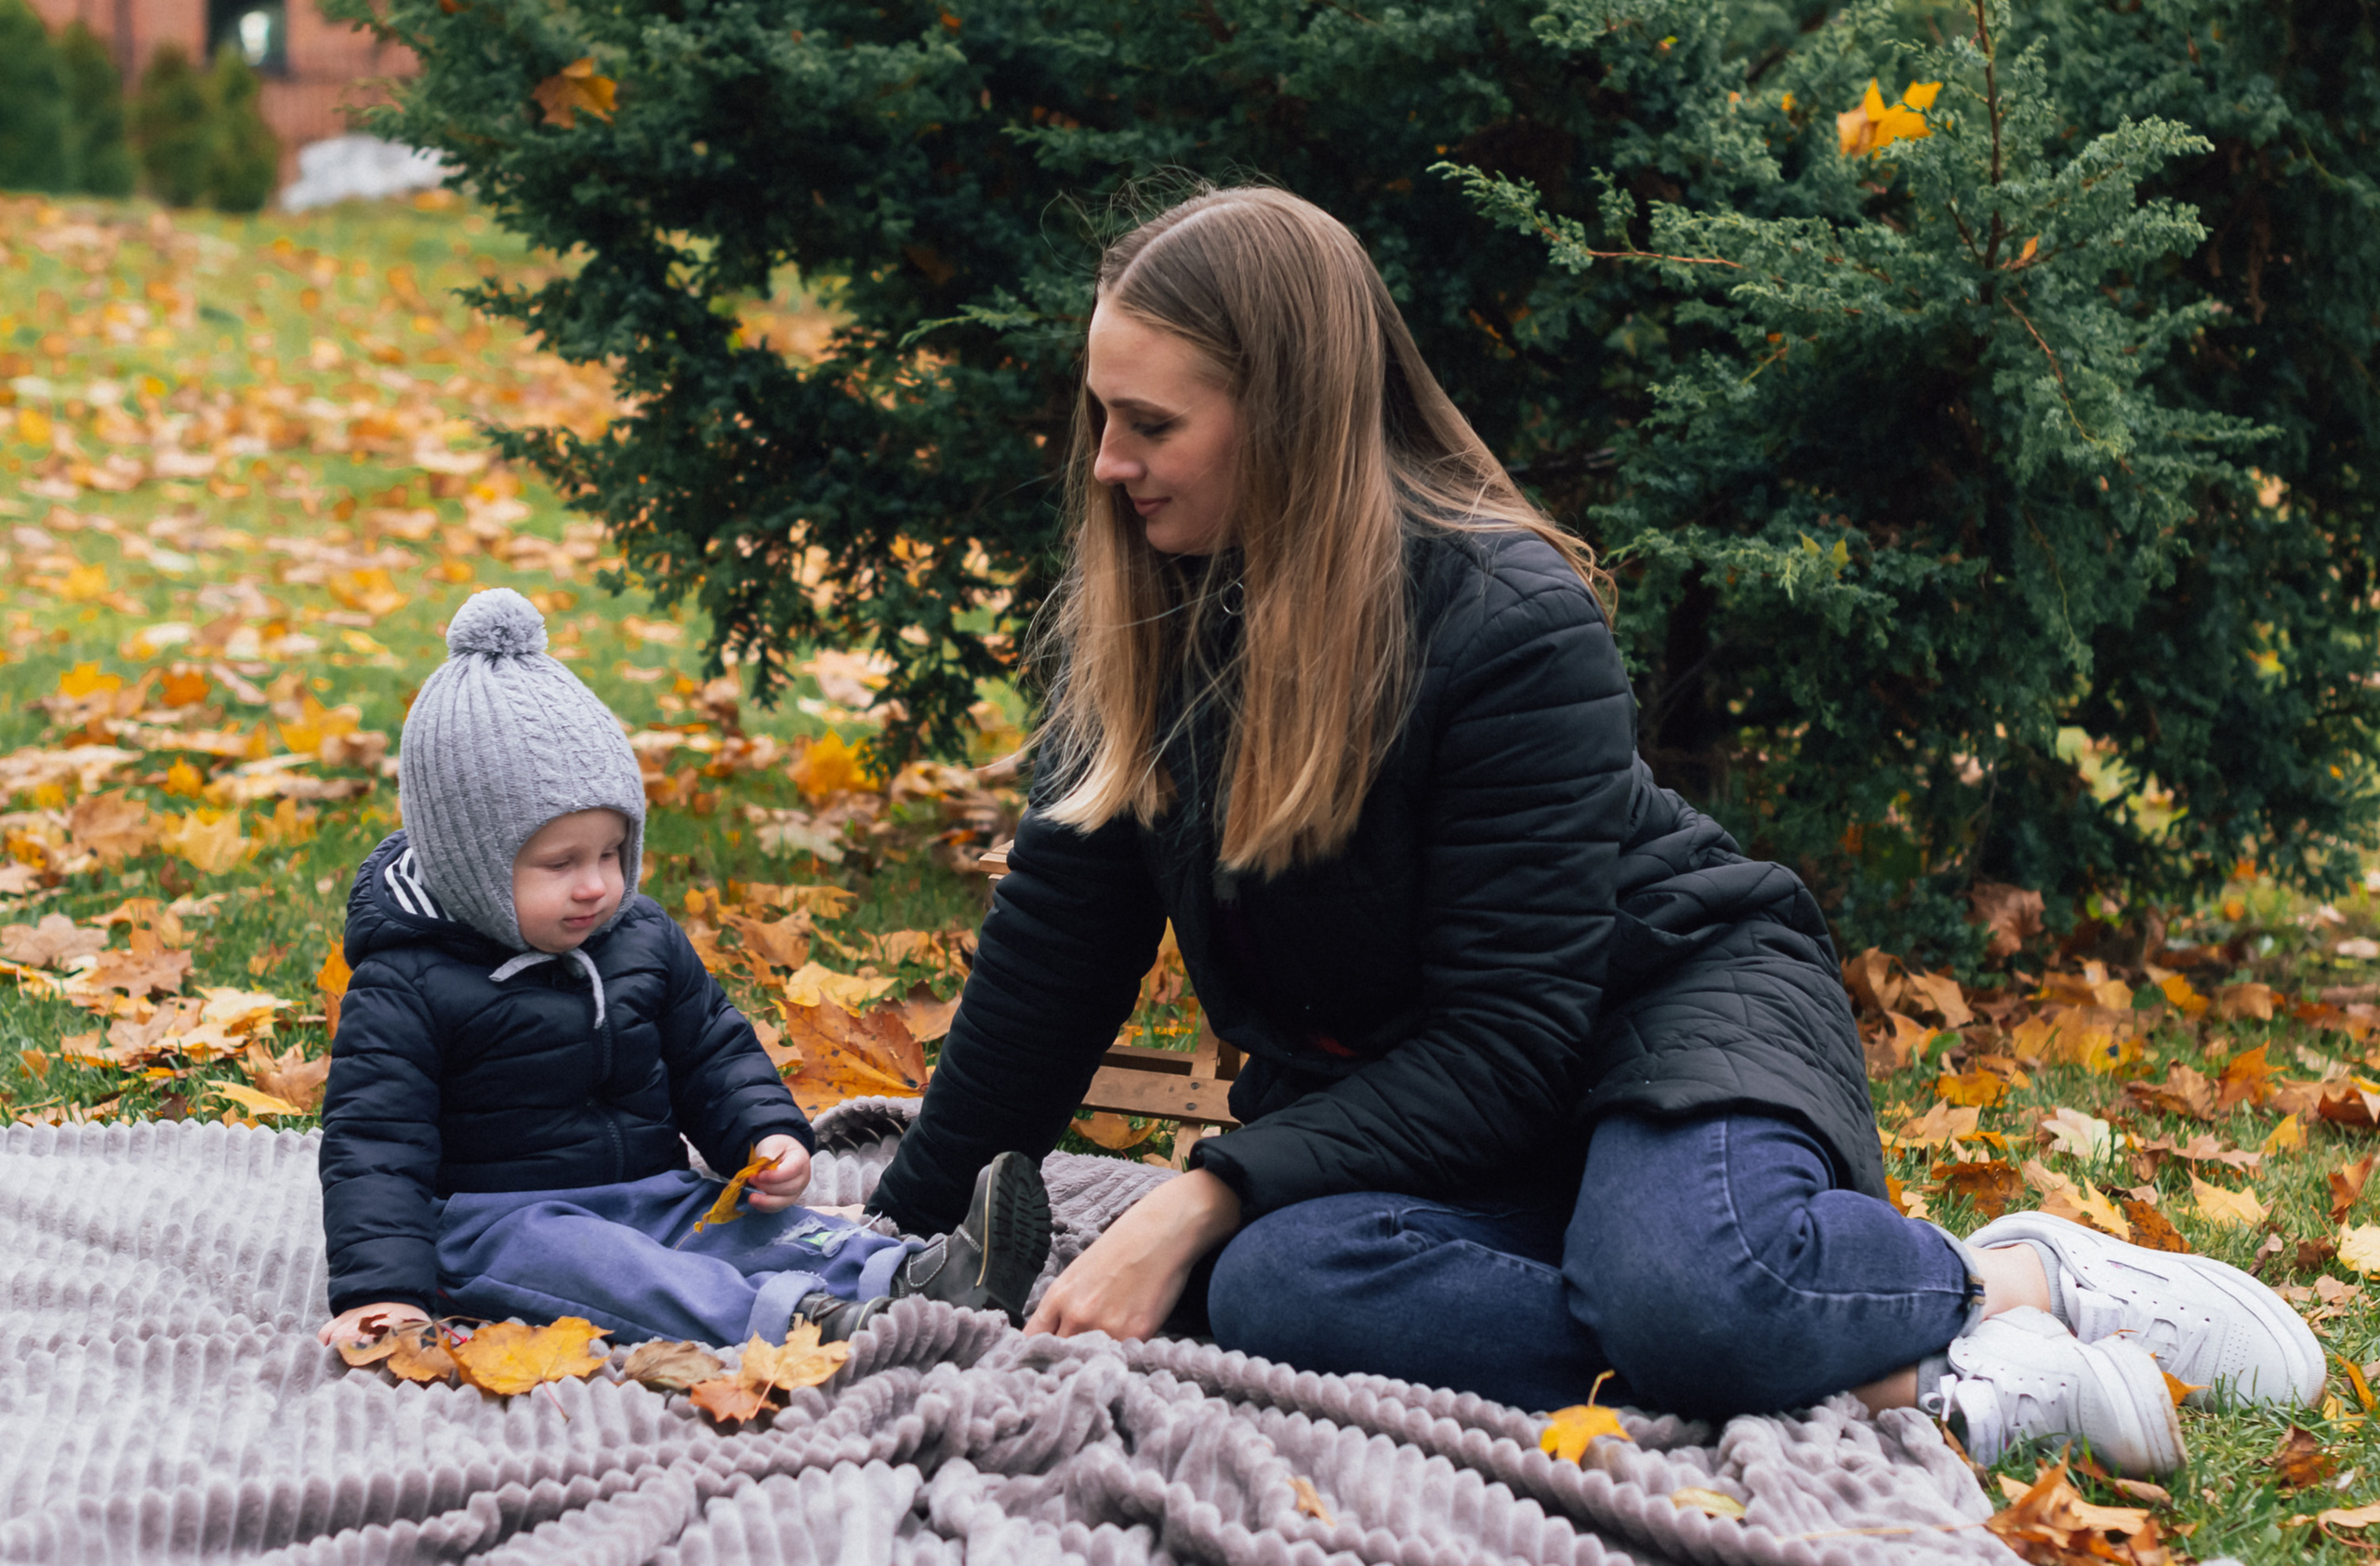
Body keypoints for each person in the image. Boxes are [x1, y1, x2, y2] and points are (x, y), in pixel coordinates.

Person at [862, 187, 2321, 1477]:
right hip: (1439, 1110)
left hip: (1661, 1018)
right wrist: (889, 1250)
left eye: (1152, 423)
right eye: (1100, 415)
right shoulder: (1153, 620)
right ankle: (1896, 1375)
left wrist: (1203, 1189)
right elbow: (1054, 962)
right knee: (1277, 1292)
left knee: (1690, 1291)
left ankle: (2006, 1285)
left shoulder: (1505, 621)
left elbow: (1516, 1036)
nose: (1107, 460)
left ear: (1290, 415)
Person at [314, 589, 1049, 1355]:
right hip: (501, 1223)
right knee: (616, 1272)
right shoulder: (406, 982)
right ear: (468, 865)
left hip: (654, 1193)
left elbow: (711, 1051)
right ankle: (798, 1322)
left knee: (757, 1226)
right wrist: (382, 1292)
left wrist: (763, 1136)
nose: (596, 884)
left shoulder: (636, 934)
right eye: (560, 863)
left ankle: (911, 1275)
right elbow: (374, 1147)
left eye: (610, 852)